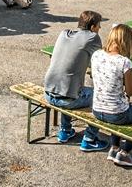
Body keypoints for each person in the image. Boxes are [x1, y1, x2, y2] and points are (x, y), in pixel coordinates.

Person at [43, 10, 108, 150]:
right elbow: (98, 63)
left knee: (69, 86)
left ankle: (65, 131)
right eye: (98, 25)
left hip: (48, 93)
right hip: (67, 99)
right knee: (102, 98)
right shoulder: (92, 38)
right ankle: (90, 138)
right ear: (92, 27)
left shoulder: (64, 33)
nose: (100, 28)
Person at [92, 24, 132, 167]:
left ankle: (114, 148)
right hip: (115, 113)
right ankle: (124, 152)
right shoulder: (125, 62)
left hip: (97, 109)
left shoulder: (96, 54)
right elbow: (130, 91)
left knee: (119, 109)